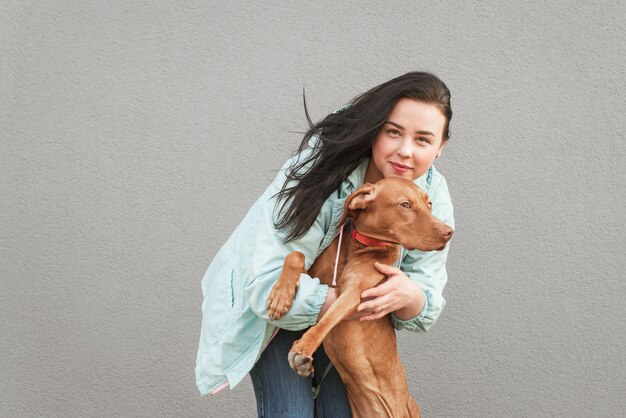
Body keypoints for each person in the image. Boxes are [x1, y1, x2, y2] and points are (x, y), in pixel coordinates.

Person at [195, 71, 455, 417]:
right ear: (375, 129)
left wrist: (411, 296)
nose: (405, 151)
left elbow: (426, 301)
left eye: (423, 140)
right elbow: (265, 283)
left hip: (345, 322)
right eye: (393, 131)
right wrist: (349, 301)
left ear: (440, 148)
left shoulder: (432, 194)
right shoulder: (319, 166)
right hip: (274, 313)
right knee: (290, 412)